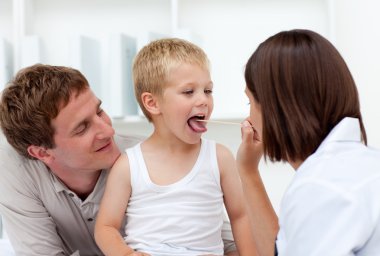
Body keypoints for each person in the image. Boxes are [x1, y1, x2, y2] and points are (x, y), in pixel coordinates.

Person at [0, 64, 238, 256]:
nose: (108, 131)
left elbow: (226, 240)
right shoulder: (16, 172)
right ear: (42, 153)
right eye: (82, 128)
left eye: (99, 111)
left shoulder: (146, 159)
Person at [94, 38, 257, 256]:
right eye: (189, 92)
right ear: (152, 103)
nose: (204, 101)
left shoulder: (219, 157)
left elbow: (240, 216)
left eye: (207, 91)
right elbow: (106, 227)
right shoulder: (129, 165)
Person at [237, 29, 380, 256]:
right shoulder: (360, 166)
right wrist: (247, 171)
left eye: (250, 103)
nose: (248, 118)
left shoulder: (320, 186)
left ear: (277, 108)